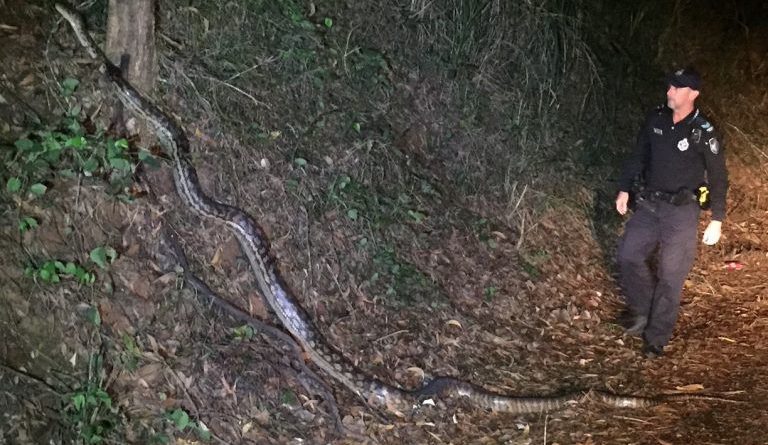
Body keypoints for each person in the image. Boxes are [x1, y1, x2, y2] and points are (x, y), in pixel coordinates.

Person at [615, 67, 728, 358]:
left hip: (682, 213)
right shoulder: (656, 119)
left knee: (670, 275)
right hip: (651, 205)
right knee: (628, 255)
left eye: (676, 88)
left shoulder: (703, 131)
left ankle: (656, 337)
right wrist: (624, 188)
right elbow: (638, 154)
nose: (669, 91)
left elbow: (718, 176)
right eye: (669, 86)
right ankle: (643, 310)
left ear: (693, 94)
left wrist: (717, 218)